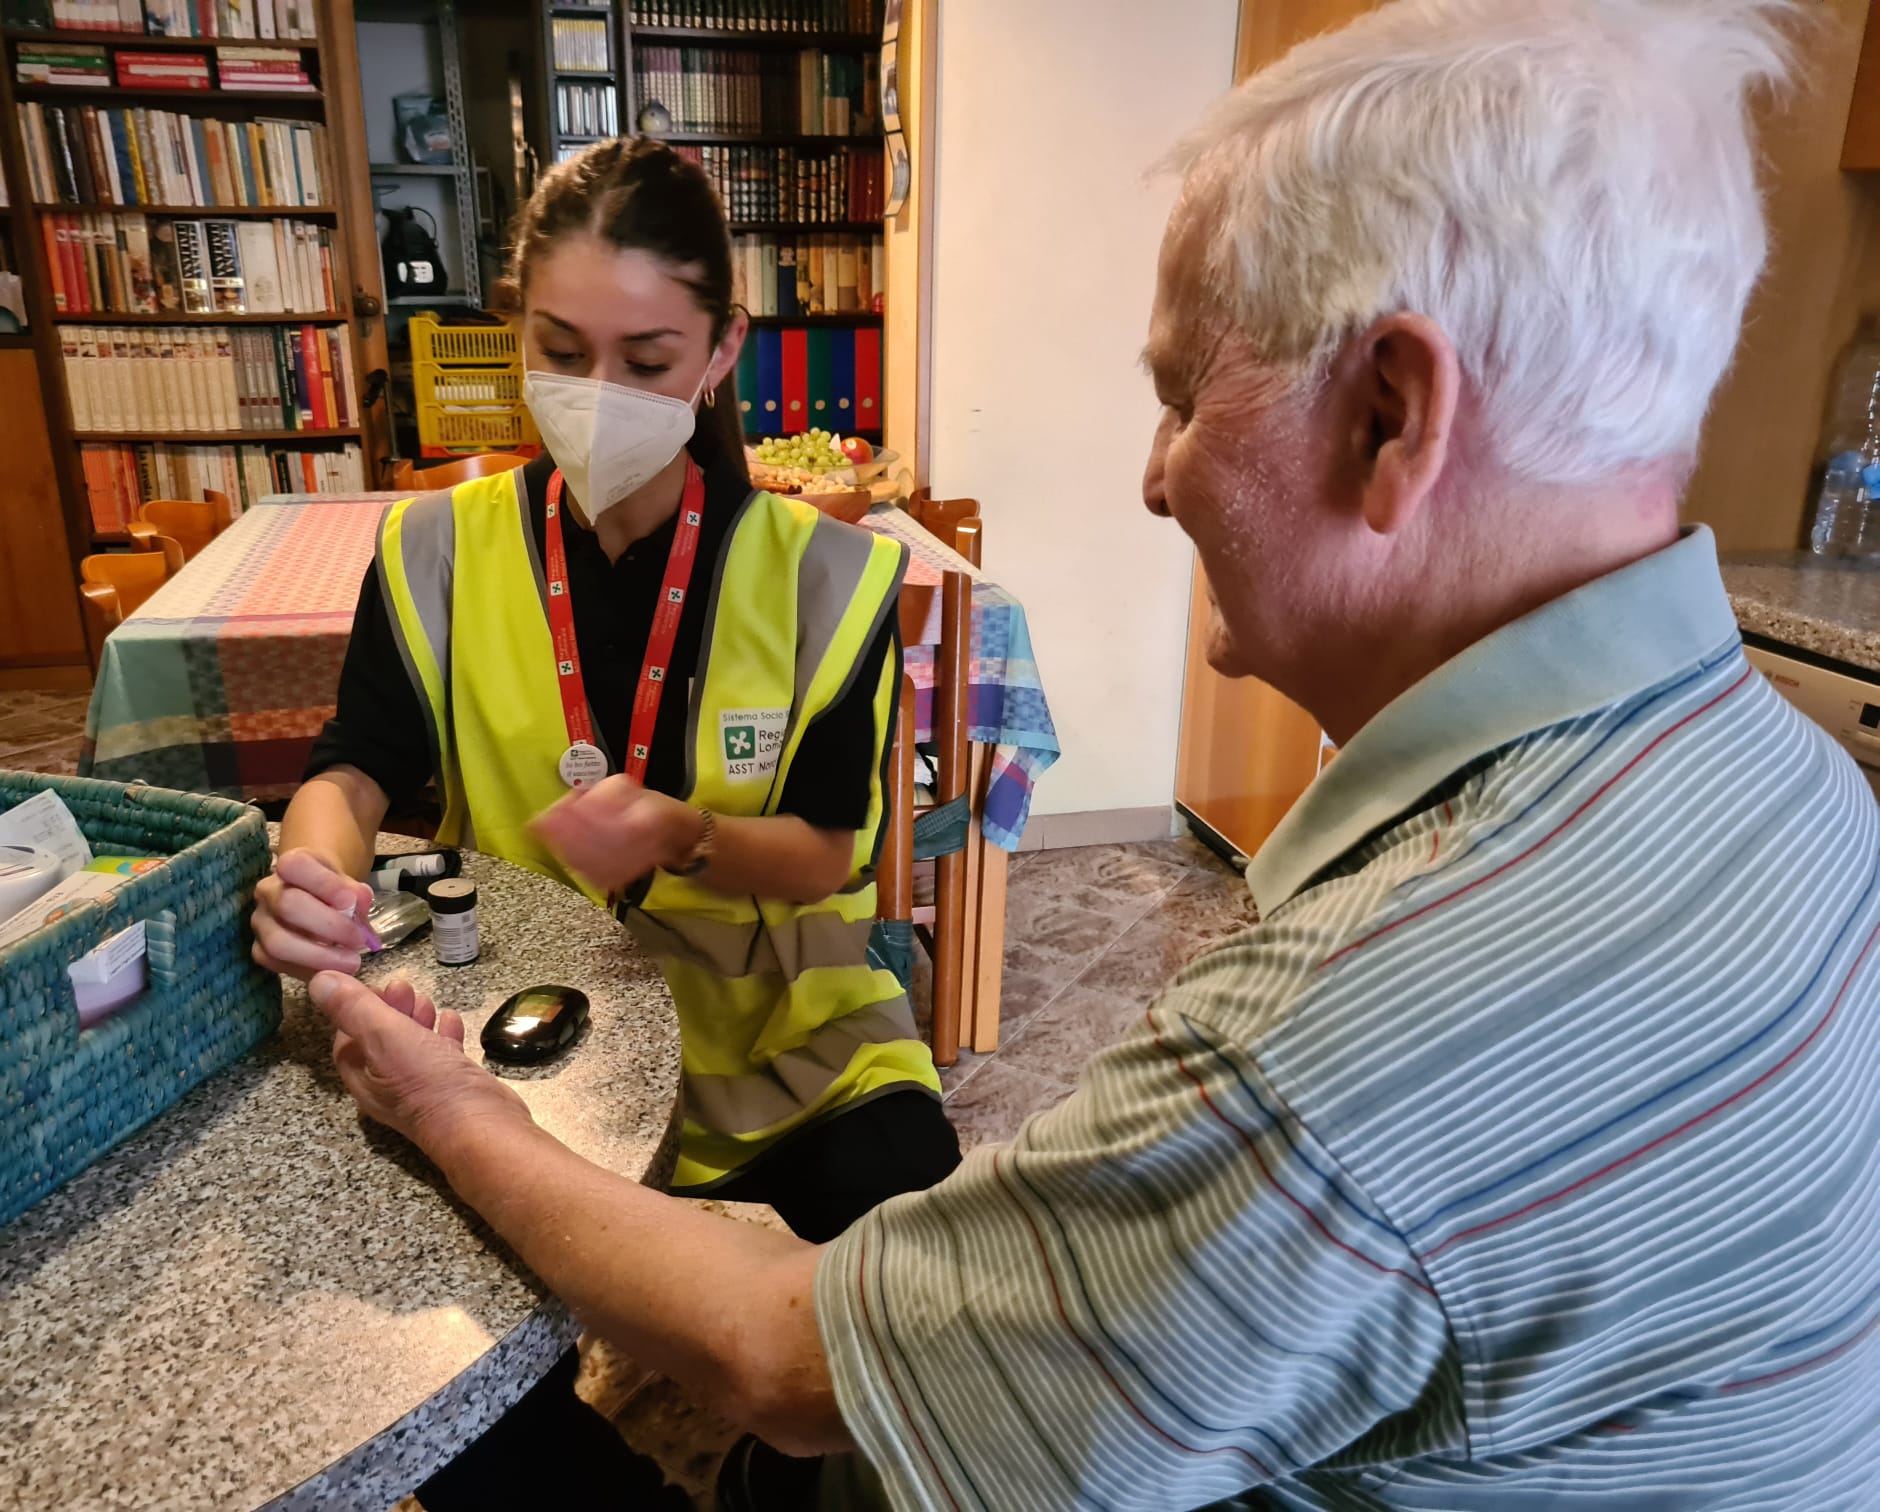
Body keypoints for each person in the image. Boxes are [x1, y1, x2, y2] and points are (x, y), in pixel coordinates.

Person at [305, 0, 1880, 1506]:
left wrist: (450, 1112)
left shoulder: (1340, 1051)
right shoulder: (1815, 791)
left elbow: (790, 1354)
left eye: (1184, 394)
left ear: (1397, 416)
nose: (1150, 480)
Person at [252, 138, 957, 1506]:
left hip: (785, 1024)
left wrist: (685, 832)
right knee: (427, 1377)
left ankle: (783, 1478)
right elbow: (353, 770)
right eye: (559, 345)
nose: (594, 396)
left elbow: (835, 852)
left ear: (720, 352)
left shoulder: (826, 576)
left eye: (645, 360)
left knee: (927, 1296)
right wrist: (312, 867)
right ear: (511, 323)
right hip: (526, 1039)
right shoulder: (434, 552)